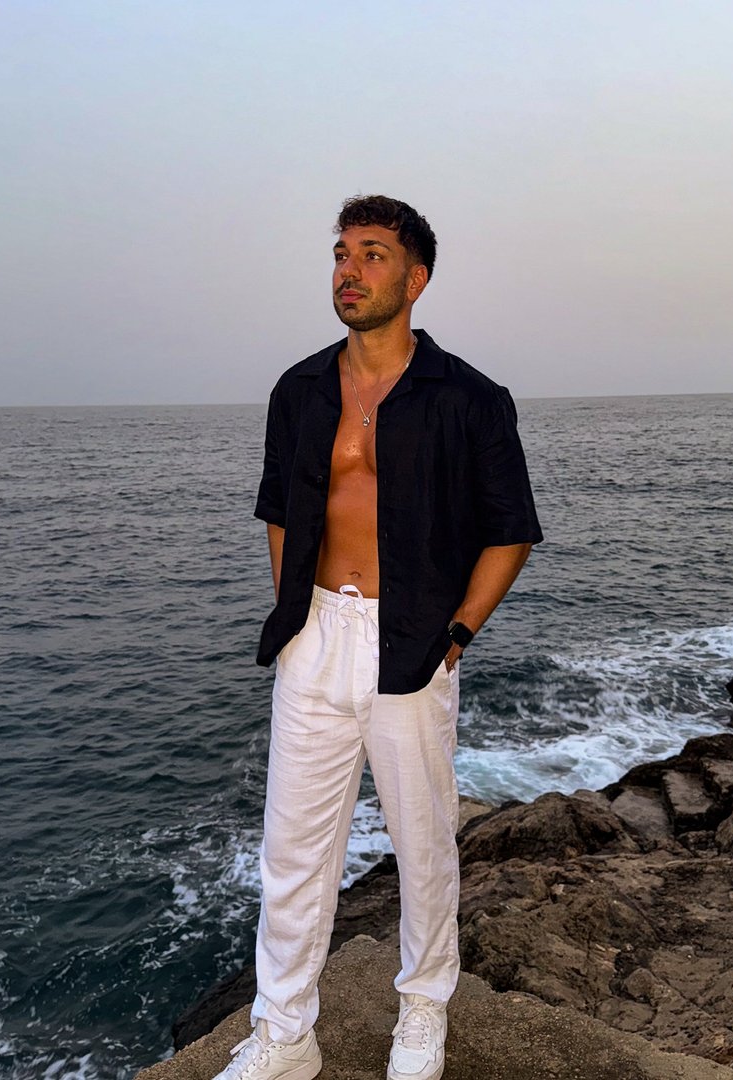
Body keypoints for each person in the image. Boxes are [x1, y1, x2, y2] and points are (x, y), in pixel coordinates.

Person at [213, 195, 542, 1080]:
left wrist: (457, 633)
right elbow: (281, 510)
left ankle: (423, 1011)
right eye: (341, 254)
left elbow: (510, 529)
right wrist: (294, 613)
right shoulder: (299, 390)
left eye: (371, 254)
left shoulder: (469, 398)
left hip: (414, 639)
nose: (349, 271)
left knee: (422, 843)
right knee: (292, 852)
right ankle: (285, 1034)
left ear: (416, 278)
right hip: (314, 634)